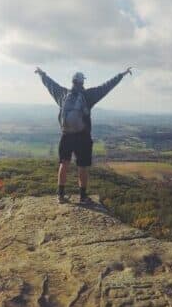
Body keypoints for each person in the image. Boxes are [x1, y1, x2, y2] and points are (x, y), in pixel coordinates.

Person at [35, 66, 133, 204]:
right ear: (82, 83)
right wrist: (120, 75)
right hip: (82, 137)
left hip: (66, 135)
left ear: (72, 81)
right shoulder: (88, 96)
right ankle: (82, 197)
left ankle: (61, 195)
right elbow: (106, 87)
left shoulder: (62, 94)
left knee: (64, 164)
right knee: (82, 167)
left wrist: (42, 74)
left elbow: (50, 84)